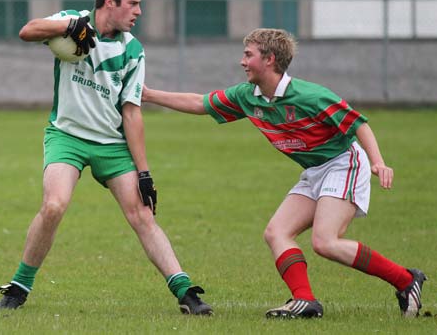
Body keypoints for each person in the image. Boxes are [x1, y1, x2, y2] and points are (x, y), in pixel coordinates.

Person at [142, 28, 426, 319]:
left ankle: (406, 281)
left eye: (248, 55)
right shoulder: (247, 96)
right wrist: (149, 95)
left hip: (344, 163)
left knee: (325, 242)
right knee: (277, 232)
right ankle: (305, 301)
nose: (242, 61)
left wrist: (378, 162)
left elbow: (358, 124)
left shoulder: (309, 95)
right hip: (315, 170)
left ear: (270, 59)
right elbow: (199, 103)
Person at [0, 0, 212, 316]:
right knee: (54, 205)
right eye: (133, 3)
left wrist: (144, 173)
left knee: (142, 215)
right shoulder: (74, 20)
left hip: (111, 144)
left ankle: (187, 292)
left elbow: (131, 112)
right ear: (109, 2)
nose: (139, 11)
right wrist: (67, 28)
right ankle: (19, 287)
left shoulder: (133, 50)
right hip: (67, 136)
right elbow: (27, 31)